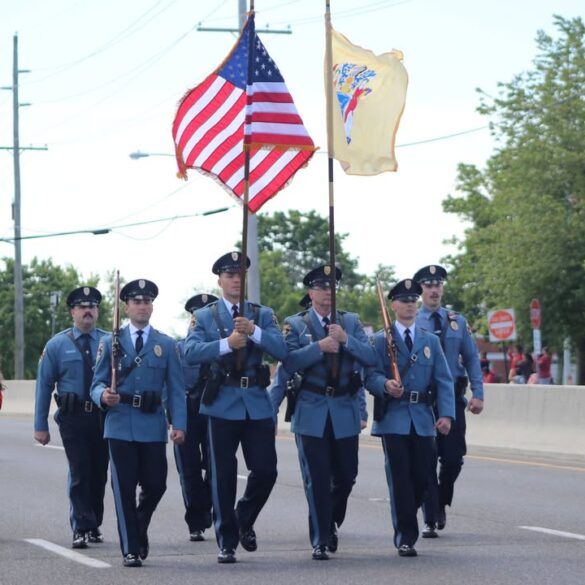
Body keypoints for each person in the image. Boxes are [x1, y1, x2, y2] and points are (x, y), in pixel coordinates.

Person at [183, 252, 287, 564]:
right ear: (219, 280)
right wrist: (227, 343)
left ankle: (243, 516)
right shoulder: (205, 316)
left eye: (240, 274)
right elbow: (189, 352)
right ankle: (226, 540)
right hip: (222, 403)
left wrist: (254, 331)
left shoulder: (263, 314)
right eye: (229, 274)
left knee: (266, 469)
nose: (236, 279)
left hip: (256, 402)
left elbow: (284, 351)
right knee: (222, 475)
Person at [281, 265, 377, 561]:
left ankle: (331, 520)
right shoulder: (296, 324)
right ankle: (320, 537)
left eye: (332, 287)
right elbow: (288, 362)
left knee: (347, 476)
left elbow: (372, 357)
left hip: (344, 409)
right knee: (317, 478)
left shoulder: (350, 321)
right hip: (311, 409)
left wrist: (346, 339)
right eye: (321, 287)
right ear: (311, 293)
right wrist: (319, 347)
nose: (327, 292)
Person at [90, 279, 186, 567]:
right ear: (127, 306)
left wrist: (178, 424)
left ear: (152, 306)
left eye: (146, 302)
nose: (142, 306)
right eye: (136, 302)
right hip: (119, 423)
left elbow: (176, 389)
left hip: (152, 424)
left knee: (156, 485)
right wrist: (102, 395)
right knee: (123, 488)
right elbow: (96, 383)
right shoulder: (110, 342)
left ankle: (138, 526)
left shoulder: (166, 344)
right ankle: (130, 548)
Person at [365, 278, 454, 557]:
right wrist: (384, 385)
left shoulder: (429, 340)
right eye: (404, 301)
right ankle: (405, 536)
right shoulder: (381, 340)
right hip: (394, 418)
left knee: (425, 477)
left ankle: (407, 512)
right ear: (393, 305)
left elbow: (444, 380)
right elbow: (370, 375)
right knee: (400, 479)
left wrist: (446, 414)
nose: (410, 305)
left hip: (423, 418)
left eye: (413, 301)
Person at [34, 286, 109, 549]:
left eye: (92, 306)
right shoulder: (57, 344)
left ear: (97, 311)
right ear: (72, 312)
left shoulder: (110, 341)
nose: (87, 311)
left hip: (102, 417)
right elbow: (43, 385)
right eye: (82, 307)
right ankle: (80, 526)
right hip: (72, 417)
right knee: (80, 470)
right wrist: (40, 426)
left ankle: (94, 523)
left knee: (99, 472)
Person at [413, 265, 484, 538]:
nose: (434, 290)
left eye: (438, 285)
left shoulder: (457, 321)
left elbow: (472, 358)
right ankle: (431, 516)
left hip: (453, 397)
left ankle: (440, 499)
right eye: (429, 285)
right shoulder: (413, 321)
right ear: (420, 290)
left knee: (453, 458)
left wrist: (478, 393)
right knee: (427, 458)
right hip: (425, 400)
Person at [173, 293, 218, 543]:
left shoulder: (220, 348)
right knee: (188, 470)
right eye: (194, 315)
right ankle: (195, 522)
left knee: (215, 468)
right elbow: (170, 386)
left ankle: (208, 507)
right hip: (187, 414)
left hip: (214, 414)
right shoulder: (179, 349)